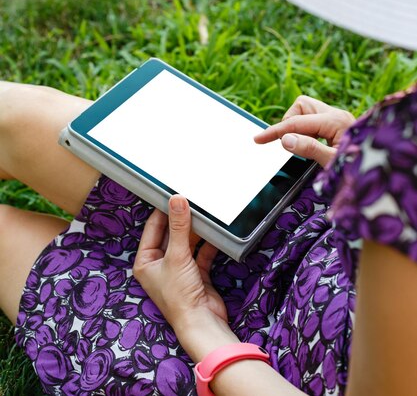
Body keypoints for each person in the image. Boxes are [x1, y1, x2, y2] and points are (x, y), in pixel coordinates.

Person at [0, 78, 416, 395]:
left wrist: (196, 322)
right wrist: (361, 159)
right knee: (17, 116)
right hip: (303, 218)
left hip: (247, 365)